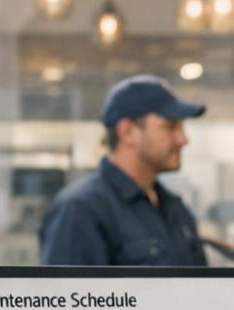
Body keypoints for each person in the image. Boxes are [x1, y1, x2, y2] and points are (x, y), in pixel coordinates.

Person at [40, 75, 207, 266]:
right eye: (170, 127)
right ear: (127, 132)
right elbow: (71, 295)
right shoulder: (81, 209)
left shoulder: (174, 208)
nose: (183, 139)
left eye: (181, 128)